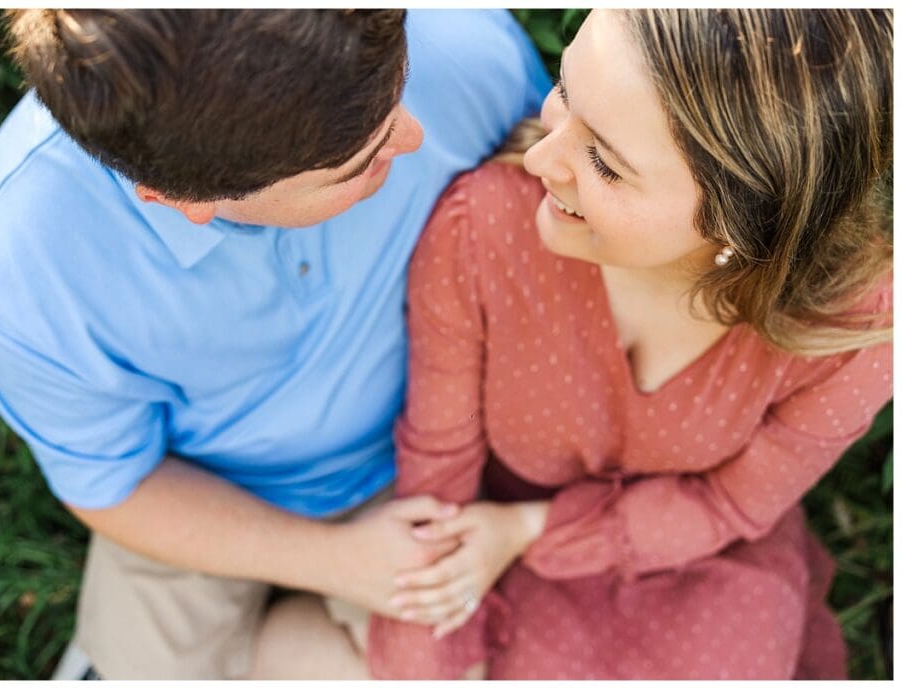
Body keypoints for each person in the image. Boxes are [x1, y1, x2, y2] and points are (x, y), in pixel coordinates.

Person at [0, 9, 550, 680]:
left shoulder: (463, 43)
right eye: (362, 161)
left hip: (429, 449)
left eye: (401, 88)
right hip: (204, 494)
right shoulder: (19, 270)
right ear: (182, 199)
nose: (414, 134)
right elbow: (116, 483)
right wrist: (336, 561)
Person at [365, 8, 893, 679]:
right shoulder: (484, 229)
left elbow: (730, 504)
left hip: (696, 560)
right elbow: (439, 472)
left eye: (606, 164)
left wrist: (530, 530)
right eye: (565, 89)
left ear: (744, 222)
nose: (540, 159)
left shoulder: (854, 332)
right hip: (482, 546)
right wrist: (430, 632)